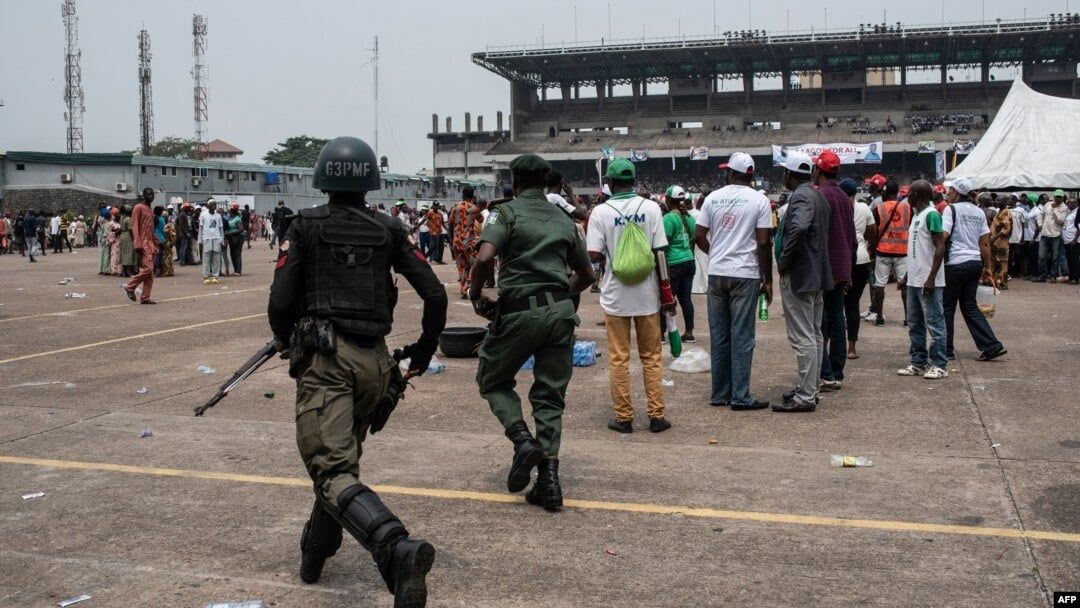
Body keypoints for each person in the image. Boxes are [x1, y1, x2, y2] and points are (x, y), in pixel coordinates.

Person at [267, 136, 446, 605]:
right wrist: (423, 352)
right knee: (341, 466)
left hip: (328, 363)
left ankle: (394, 547)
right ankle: (314, 553)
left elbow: (280, 301)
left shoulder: (303, 226)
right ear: (370, 180)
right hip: (376, 367)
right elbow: (435, 294)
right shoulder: (390, 229)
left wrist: (286, 340)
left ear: (322, 179)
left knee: (331, 471)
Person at [469, 154, 595, 512]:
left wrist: (476, 294)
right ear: (545, 182)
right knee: (550, 397)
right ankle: (549, 483)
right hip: (561, 313)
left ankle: (522, 439)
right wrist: (559, 296)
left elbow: (484, 257)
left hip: (519, 312)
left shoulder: (504, 213)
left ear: (515, 182)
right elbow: (587, 275)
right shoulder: (564, 220)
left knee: (492, 380)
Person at [586, 158, 673, 433]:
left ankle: (624, 418)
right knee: (651, 357)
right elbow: (660, 253)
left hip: (616, 296)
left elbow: (594, 253)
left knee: (619, 358)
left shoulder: (600, 212)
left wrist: (613, 251)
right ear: (634, 181)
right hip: (647, 296)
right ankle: (656, 416)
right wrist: (667, 293)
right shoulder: (651, 208)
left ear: (610, 183)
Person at [693, 152, 772, 410]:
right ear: (751, 175)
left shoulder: (712, 198)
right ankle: (740, 396)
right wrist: (767, 279)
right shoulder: (760, 200)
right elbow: (763, 242)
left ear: (729, 173)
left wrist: (715, 253)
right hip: (745, 274)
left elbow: (699, 235)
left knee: (719, 336)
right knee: (742, 337)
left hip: (718, 273)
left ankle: (720, 394)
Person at [774, 150, 832, 412]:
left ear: (788, 174)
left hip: (801, 274)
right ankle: (811, 388)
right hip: (816, 274)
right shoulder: (817, 195)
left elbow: (798, 228)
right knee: (814, 334)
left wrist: (784, 260)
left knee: (803, 336)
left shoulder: (801, 196)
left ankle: (806, 395)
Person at [940, 178, 1006, 361]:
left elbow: (943, 236)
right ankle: (991, 345)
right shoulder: (979, 212)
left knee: (947, 308)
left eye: (950, 191)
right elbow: (984, 243)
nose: (948, 194)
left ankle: (946, 349)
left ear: (956, 192)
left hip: (955, 263)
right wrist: (987, 267)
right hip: (974, 263)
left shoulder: (951, 209)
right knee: (969, 306)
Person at [813, 151, 857, 390]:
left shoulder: (820, 195)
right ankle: (837, 371)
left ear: (818, 170)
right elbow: (852, 239)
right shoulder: (844, 197)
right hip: (841, 267)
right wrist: (848, 270)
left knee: (819, 323)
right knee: (837, 319)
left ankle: (825, 371)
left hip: (823, 269)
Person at [897, 180, 949, 380]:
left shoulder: (931, 214)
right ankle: (918, 362)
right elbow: (916, 251)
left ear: (916, 195)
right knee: (915, 324)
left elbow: (940, 246)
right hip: (914, 281)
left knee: (935, 324)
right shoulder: (916, 215)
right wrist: (906, 277)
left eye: (909, 193)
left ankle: (939, 365)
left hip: (928, 282)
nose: (907, 197)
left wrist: (931, 278)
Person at [842, 180, 877, 360]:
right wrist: (867, 246)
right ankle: (852, 348)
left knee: (835, 305)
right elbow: (872, 231)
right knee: (853, 305)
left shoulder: (836, 207)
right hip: (861, 258)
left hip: (841, 259)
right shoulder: (864, 208)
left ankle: (831, 345)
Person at [870, 179, 910, 326]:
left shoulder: (879, 208)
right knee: (904, 284)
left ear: (885, 192)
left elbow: (874, 232)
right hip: (902, 252)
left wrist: (872, 251)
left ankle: (879, 317)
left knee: (879, 284)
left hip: (883, 251)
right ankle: (908, 319)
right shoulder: (907, 208)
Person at [662, 185, 697, 342]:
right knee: (686, 299)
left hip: (674, 263)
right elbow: (693, 240)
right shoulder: (689, 218)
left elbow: (664, 244)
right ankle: (689, 332)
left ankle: (662, 333)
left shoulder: (669, 218)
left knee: (667, 299)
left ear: (669, 200)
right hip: (689, 261)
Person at [123, 189, 158, 305]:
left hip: (151, 243)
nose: (151, 196)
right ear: (144, 196)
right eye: (148, 194)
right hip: (143, 242)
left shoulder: (149, 209)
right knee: (148, 269)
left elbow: (151, 228)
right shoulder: (138, 208)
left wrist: (155, 242)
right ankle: (130, 287)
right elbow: (135, 226)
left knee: (150, 273)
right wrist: (137, 243)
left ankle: (145, 297)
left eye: (152, 194)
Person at [448, 187, 482, 298]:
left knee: (461, 266)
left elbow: (450, 224)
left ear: (462, 195)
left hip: (457, 242)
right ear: (472, 196)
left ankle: (463, 288)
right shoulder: (474, 208)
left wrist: (451, 242)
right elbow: (481, 220)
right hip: (469, 242)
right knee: (476, 263)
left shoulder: (455, 208)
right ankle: (468, 283)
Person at [1035, 190, 1069, 282]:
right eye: (1056, 196)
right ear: (1054, 197)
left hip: (1056, 235)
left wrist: (1055, 209)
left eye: (1059, 197)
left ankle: (1053, 276)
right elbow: (1040, 214)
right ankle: (1042, 276)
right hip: (1044, 233)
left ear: (1062, 198)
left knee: (1055, 257)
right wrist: (1040, 224)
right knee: (1041, 256)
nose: (1057, 198)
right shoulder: (1048, 204)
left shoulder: (1064, 208)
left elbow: (1060, 221)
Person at [988, 194, 1013, 289]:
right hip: (995, 242)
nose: (997, 202)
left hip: (1001, 242)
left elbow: (1006, 229)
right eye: (996, 200)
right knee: (995, 261)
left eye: (1000, 200)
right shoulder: (999, 211)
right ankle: (995, 281)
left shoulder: (1006, 212)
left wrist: (994, 238)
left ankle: (1002, 283)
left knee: (1002, 263)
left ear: (1005, 202)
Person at [199, 199, 223, 284]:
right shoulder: (203, 215)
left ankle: (215, 276)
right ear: (208, 206)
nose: (214, 205)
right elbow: (201, 229)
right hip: (206, 238)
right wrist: (200, 241)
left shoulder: (218, 216)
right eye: (212, 204)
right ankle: (206, 276)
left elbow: (221, 229)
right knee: (206, 258)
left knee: (216, 258)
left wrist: (222, 240)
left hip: (216, 238)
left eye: (215, 204)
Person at [226, 203, 245, 276]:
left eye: (230, 211)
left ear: (232, 211)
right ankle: (235, 270)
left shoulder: (237, 219)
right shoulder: (230, 218)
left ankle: (238, 271)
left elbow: (241, 229)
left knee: (237, 254)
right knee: (232, 254)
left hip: (238, 238)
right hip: (232, 238)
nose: (229, 212)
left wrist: (230, 232)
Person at [1064, 198, 1079, 284]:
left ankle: (1075, 278)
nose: (1069, 204)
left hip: (1073, 240)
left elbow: (1079, 227)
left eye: (1071, 202)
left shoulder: (1078, 212)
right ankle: (1071, 277)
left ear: (1076, 203)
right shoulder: (1069, 212)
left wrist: (1075, 239)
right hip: (1067, 240)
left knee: (1075, 260)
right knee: (1069, 260)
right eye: (1068, 202)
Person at [119, 206, 137, 276]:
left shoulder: (122, 218)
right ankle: (130, 272)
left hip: (122, 236)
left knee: (124, 254)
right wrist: (134, 238)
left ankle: (124, 272)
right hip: (128, 237)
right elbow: (130, 230)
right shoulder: (129, 219)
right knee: (129, 254)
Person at [107, 208, 122, 275]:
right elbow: (108, 233)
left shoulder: (121, 223)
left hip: (121, 241)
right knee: (114, 255)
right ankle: (114, 270)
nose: (119, 216)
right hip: (115, 242)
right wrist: (115, 233)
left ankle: (120, 270)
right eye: (117, 215)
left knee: (119, 256)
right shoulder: (111, 223)